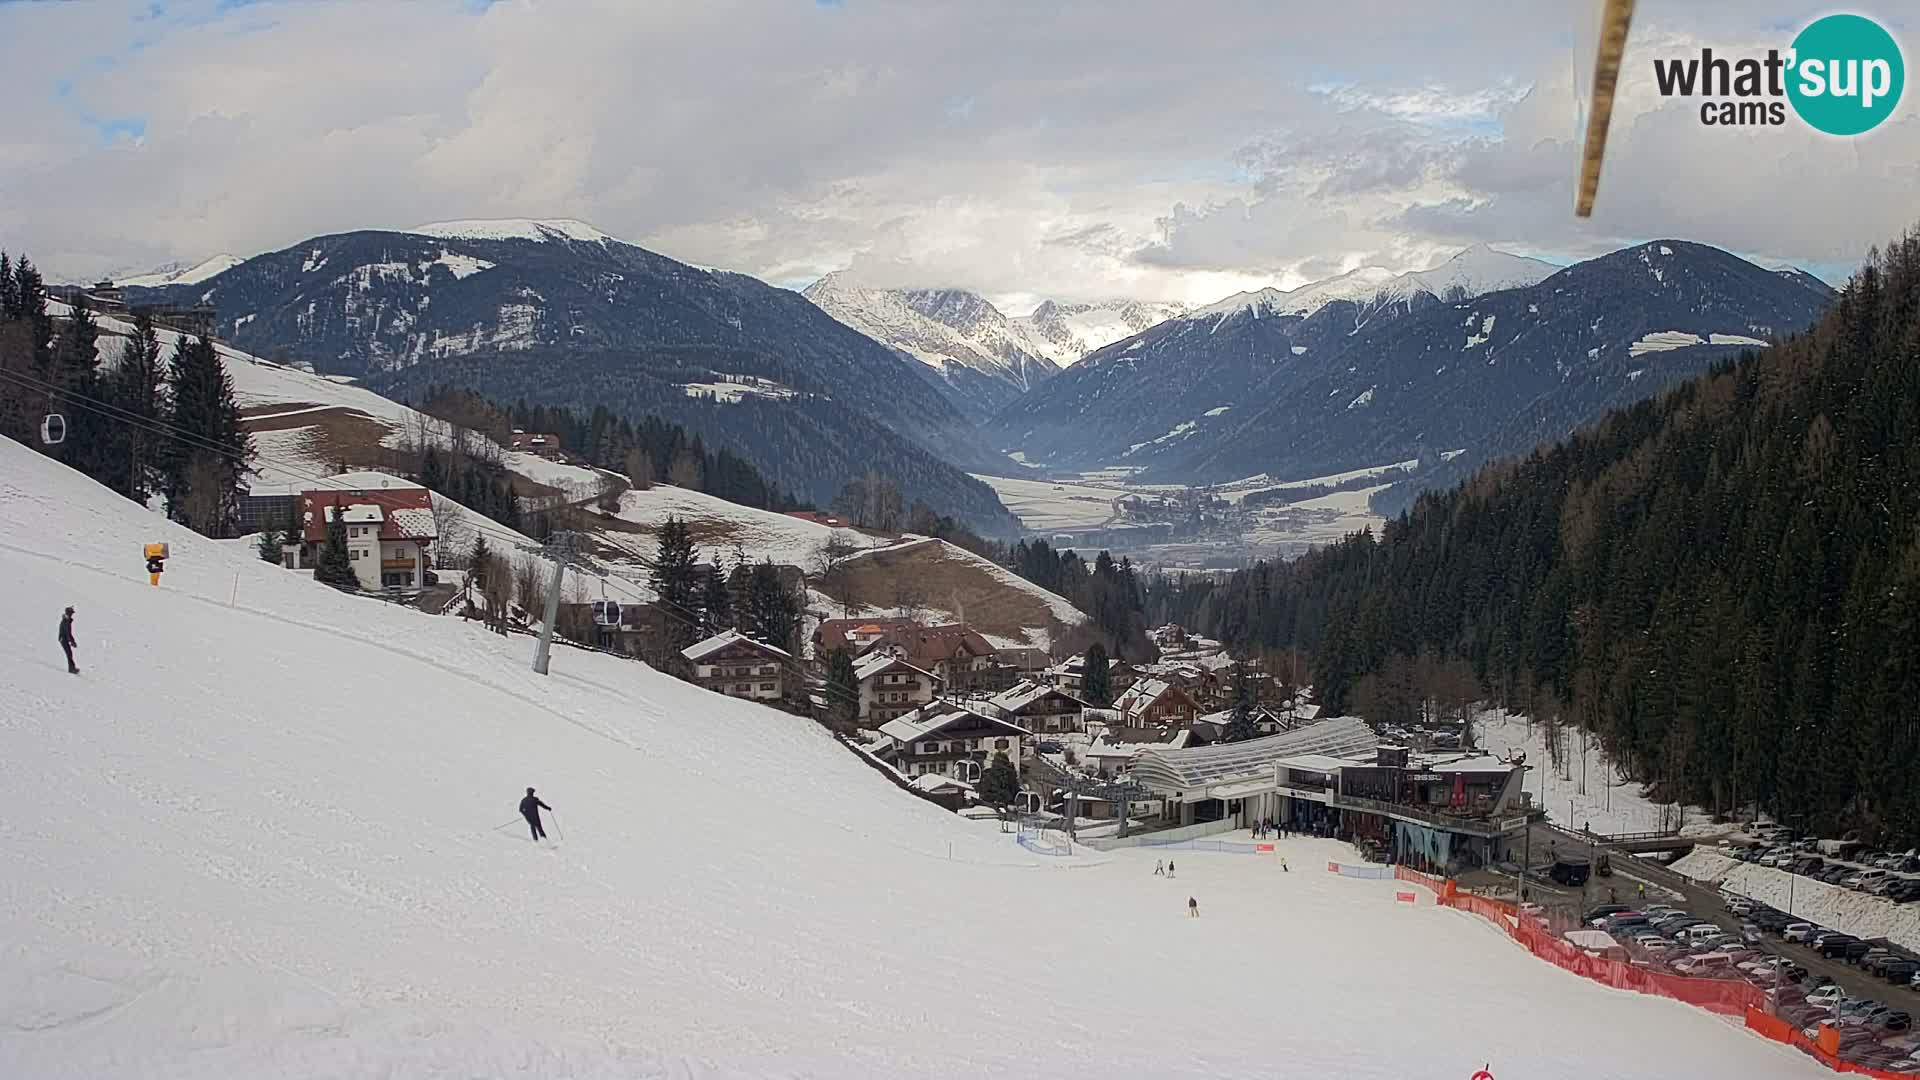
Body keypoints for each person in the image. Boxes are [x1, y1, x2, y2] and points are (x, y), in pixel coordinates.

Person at [58, 606, 78, 674]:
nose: (72, 614)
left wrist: (72, 641)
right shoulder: (66, 621)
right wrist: (72, 642)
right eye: (71, 613)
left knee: (69, 653)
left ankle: (72, 668)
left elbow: (68, 633)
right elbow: (68, 633)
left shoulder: (67, 620)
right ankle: (71, 669)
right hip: (63, 639)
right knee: (69, 653)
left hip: (64, 639)